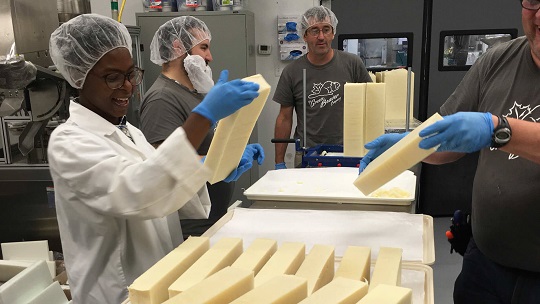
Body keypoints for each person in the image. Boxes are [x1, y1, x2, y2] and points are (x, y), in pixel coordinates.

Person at [47, 14, 261, 304]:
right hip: (114, 292)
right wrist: (204, 115)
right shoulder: (69, 142)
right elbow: (139, 191)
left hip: (155, 279)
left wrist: (214, 167)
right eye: (113, 77)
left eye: (131, 74)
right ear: (79, 77)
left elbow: (161, 180)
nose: (127, 87)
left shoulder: (128, 132)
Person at [360, 2, 540, 302]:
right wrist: (408, 147)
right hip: (484, 263)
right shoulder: (498, 60)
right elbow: (447, 138)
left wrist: (499, 130)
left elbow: (491, 130)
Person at [140, 16, 264, 239]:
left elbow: (204, 147)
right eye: (204, 48)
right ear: (179, 47)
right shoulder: (162, 98)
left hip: (211, 217)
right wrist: (213, 163)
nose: (210, 57)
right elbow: (164, 165)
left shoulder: (193, 94)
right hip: (190, 224)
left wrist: (232, 154)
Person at [273, 6, 372, 169]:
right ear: (304, 35)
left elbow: (370, 105)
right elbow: (284, 118)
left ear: (333, 33)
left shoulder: (352, 64)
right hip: (308, 156)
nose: (321, 37)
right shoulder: (292, 72)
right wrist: (279, 162)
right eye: (314, 31)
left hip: (348, 152)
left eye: (326, 29)